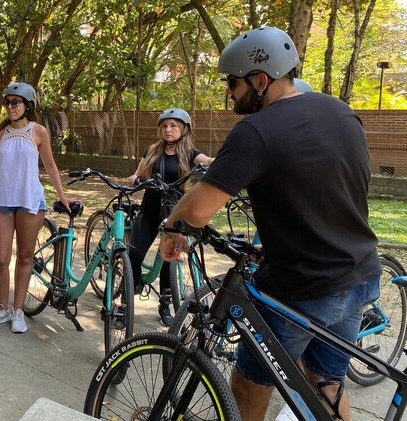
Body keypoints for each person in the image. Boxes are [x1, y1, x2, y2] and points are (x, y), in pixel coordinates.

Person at [159, 26, 380, 421]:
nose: (230, 91)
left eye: (233, 82)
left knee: (248, 383)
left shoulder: (256, 131)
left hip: (303, 287)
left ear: (260, 81)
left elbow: (197, 210)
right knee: (326, 384)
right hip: (360, 275)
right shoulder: (341, 111)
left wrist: (171, 227)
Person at [0, 83, 74, 334]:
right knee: (0, 258)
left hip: (29, 200)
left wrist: (63, 197)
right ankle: (2, 308)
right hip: (2, 201)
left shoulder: (38, 131)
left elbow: (51, 167)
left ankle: (18, 310)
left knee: (25, 257)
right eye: (6, 102)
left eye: (15, 102)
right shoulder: (0, 134)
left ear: (27, 105)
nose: (9, 107)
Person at [125, 108, 214, 326]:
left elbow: (208, 160)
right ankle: (129, 293)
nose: (168, 130)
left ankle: (165, 303)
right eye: (164, 126)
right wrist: (134, 178)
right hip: (150, 211)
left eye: (173, 125)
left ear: (184, 129)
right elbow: (139, 173)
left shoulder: (190, 153)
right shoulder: (153, 150)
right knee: (133, 255)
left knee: (169, 262)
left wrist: (223, 158)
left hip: (175, 213)